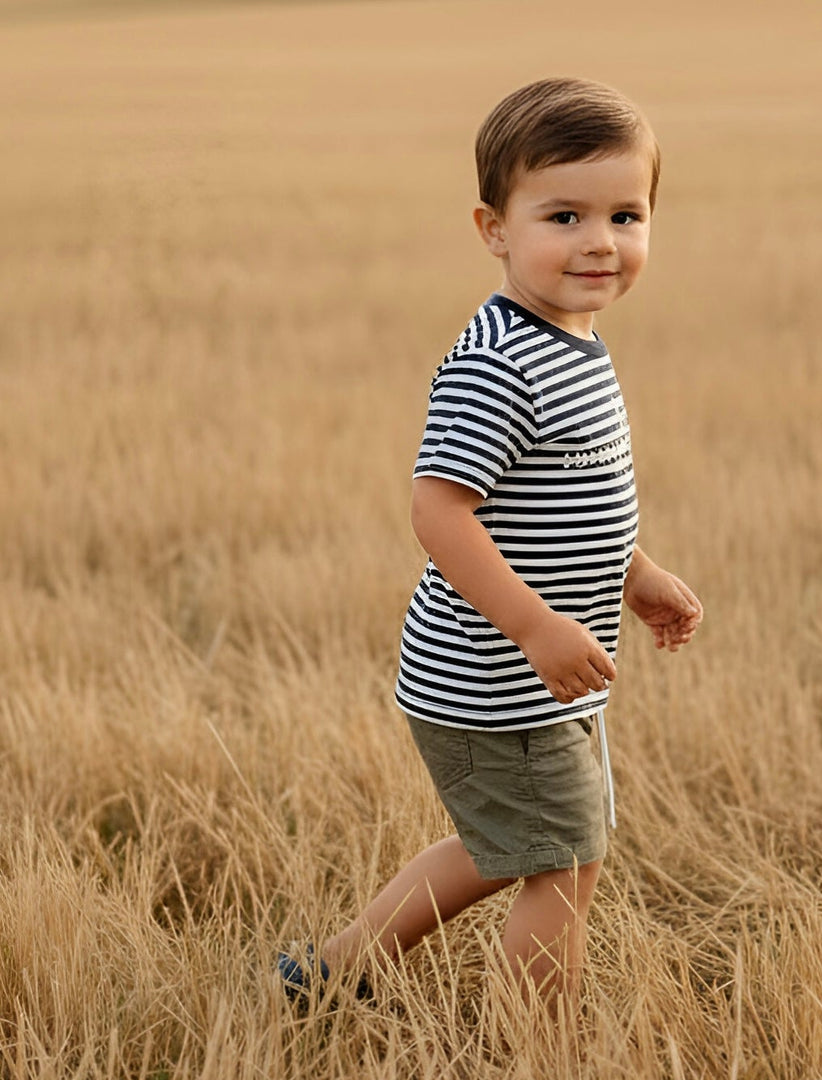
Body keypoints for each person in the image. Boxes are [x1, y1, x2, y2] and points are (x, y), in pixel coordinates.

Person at [279, 76, 703, 1012]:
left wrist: (635, 575)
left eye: (626, 216)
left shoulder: (571, 342)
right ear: (494, 229)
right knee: (565, 862)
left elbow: (565, 503)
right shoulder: (501, 361)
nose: (600, 241)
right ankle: (540, 1046)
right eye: (564, 215)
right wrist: (536, 628)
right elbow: (441, 513)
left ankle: (329, 973)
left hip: (525, 675)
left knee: (505, 847)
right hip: (492, 677)